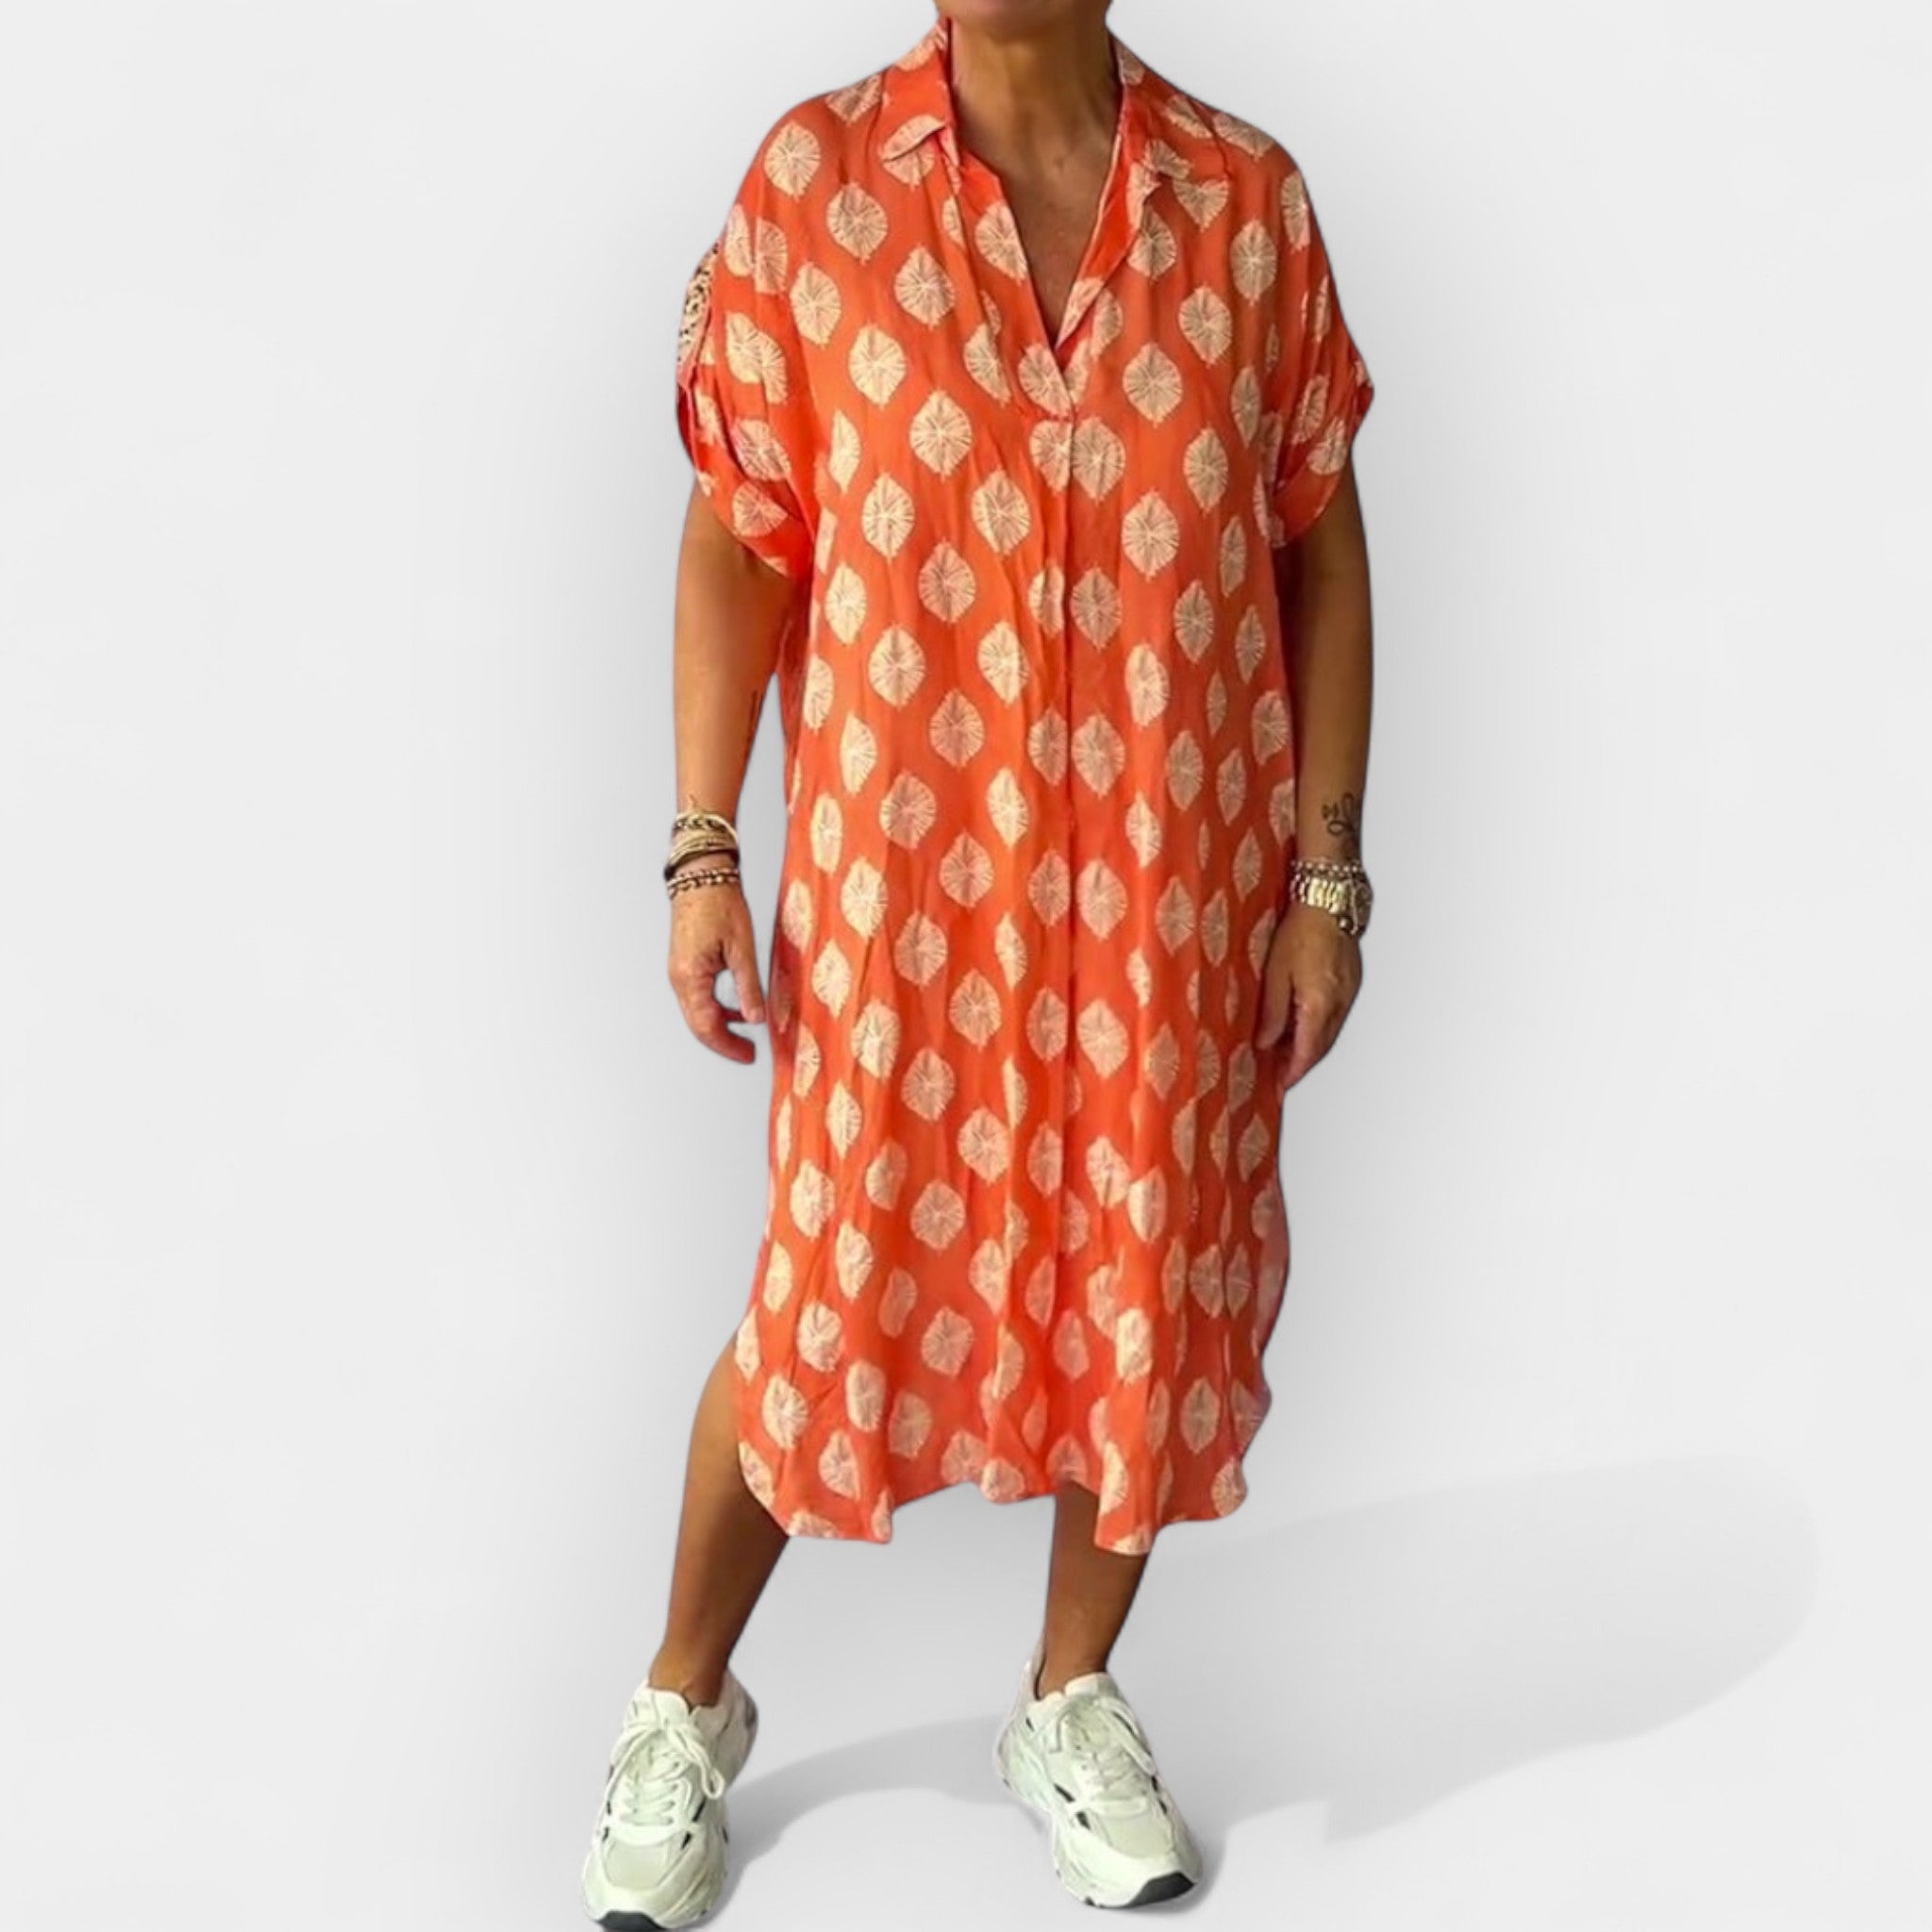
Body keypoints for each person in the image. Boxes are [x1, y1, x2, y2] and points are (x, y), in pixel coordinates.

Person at [582, 1, 1376, 1920]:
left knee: (1142, 1291)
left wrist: (1324, 876)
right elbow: (740, 537)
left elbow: (1319, 548)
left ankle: (1067, 1696)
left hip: (1170, 906)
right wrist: (702, 843)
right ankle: (682, 1701)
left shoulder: (1246, 208)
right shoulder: (813, 189)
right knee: (820, 1302)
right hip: (901, 913)